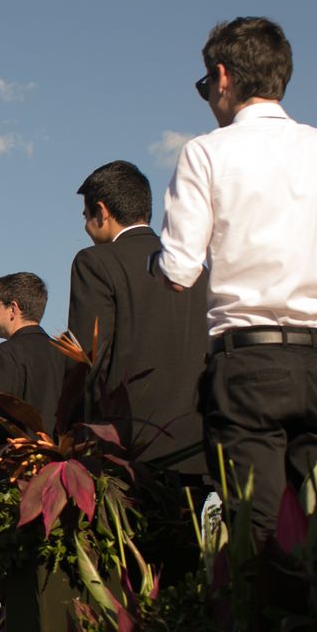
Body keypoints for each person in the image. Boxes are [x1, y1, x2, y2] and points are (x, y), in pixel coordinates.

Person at [159, 16, 317, 546]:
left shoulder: (208, 152)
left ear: (222, 77)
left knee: (261, 531)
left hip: (249, 360)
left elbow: (179, 271)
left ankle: (268, 626)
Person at [66, 161, 210, 475]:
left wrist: (70, 432)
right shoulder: (199, 272)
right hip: (198, 446)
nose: (85, 227)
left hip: (128, 445)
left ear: (101, 211)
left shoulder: (95, 262)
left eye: (85, 216)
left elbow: (88, 357)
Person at [0, 272, 67, 427]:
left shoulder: (4, 353)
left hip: (22, 450)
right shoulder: (64, 353)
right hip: (64, 449)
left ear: (13, 309)